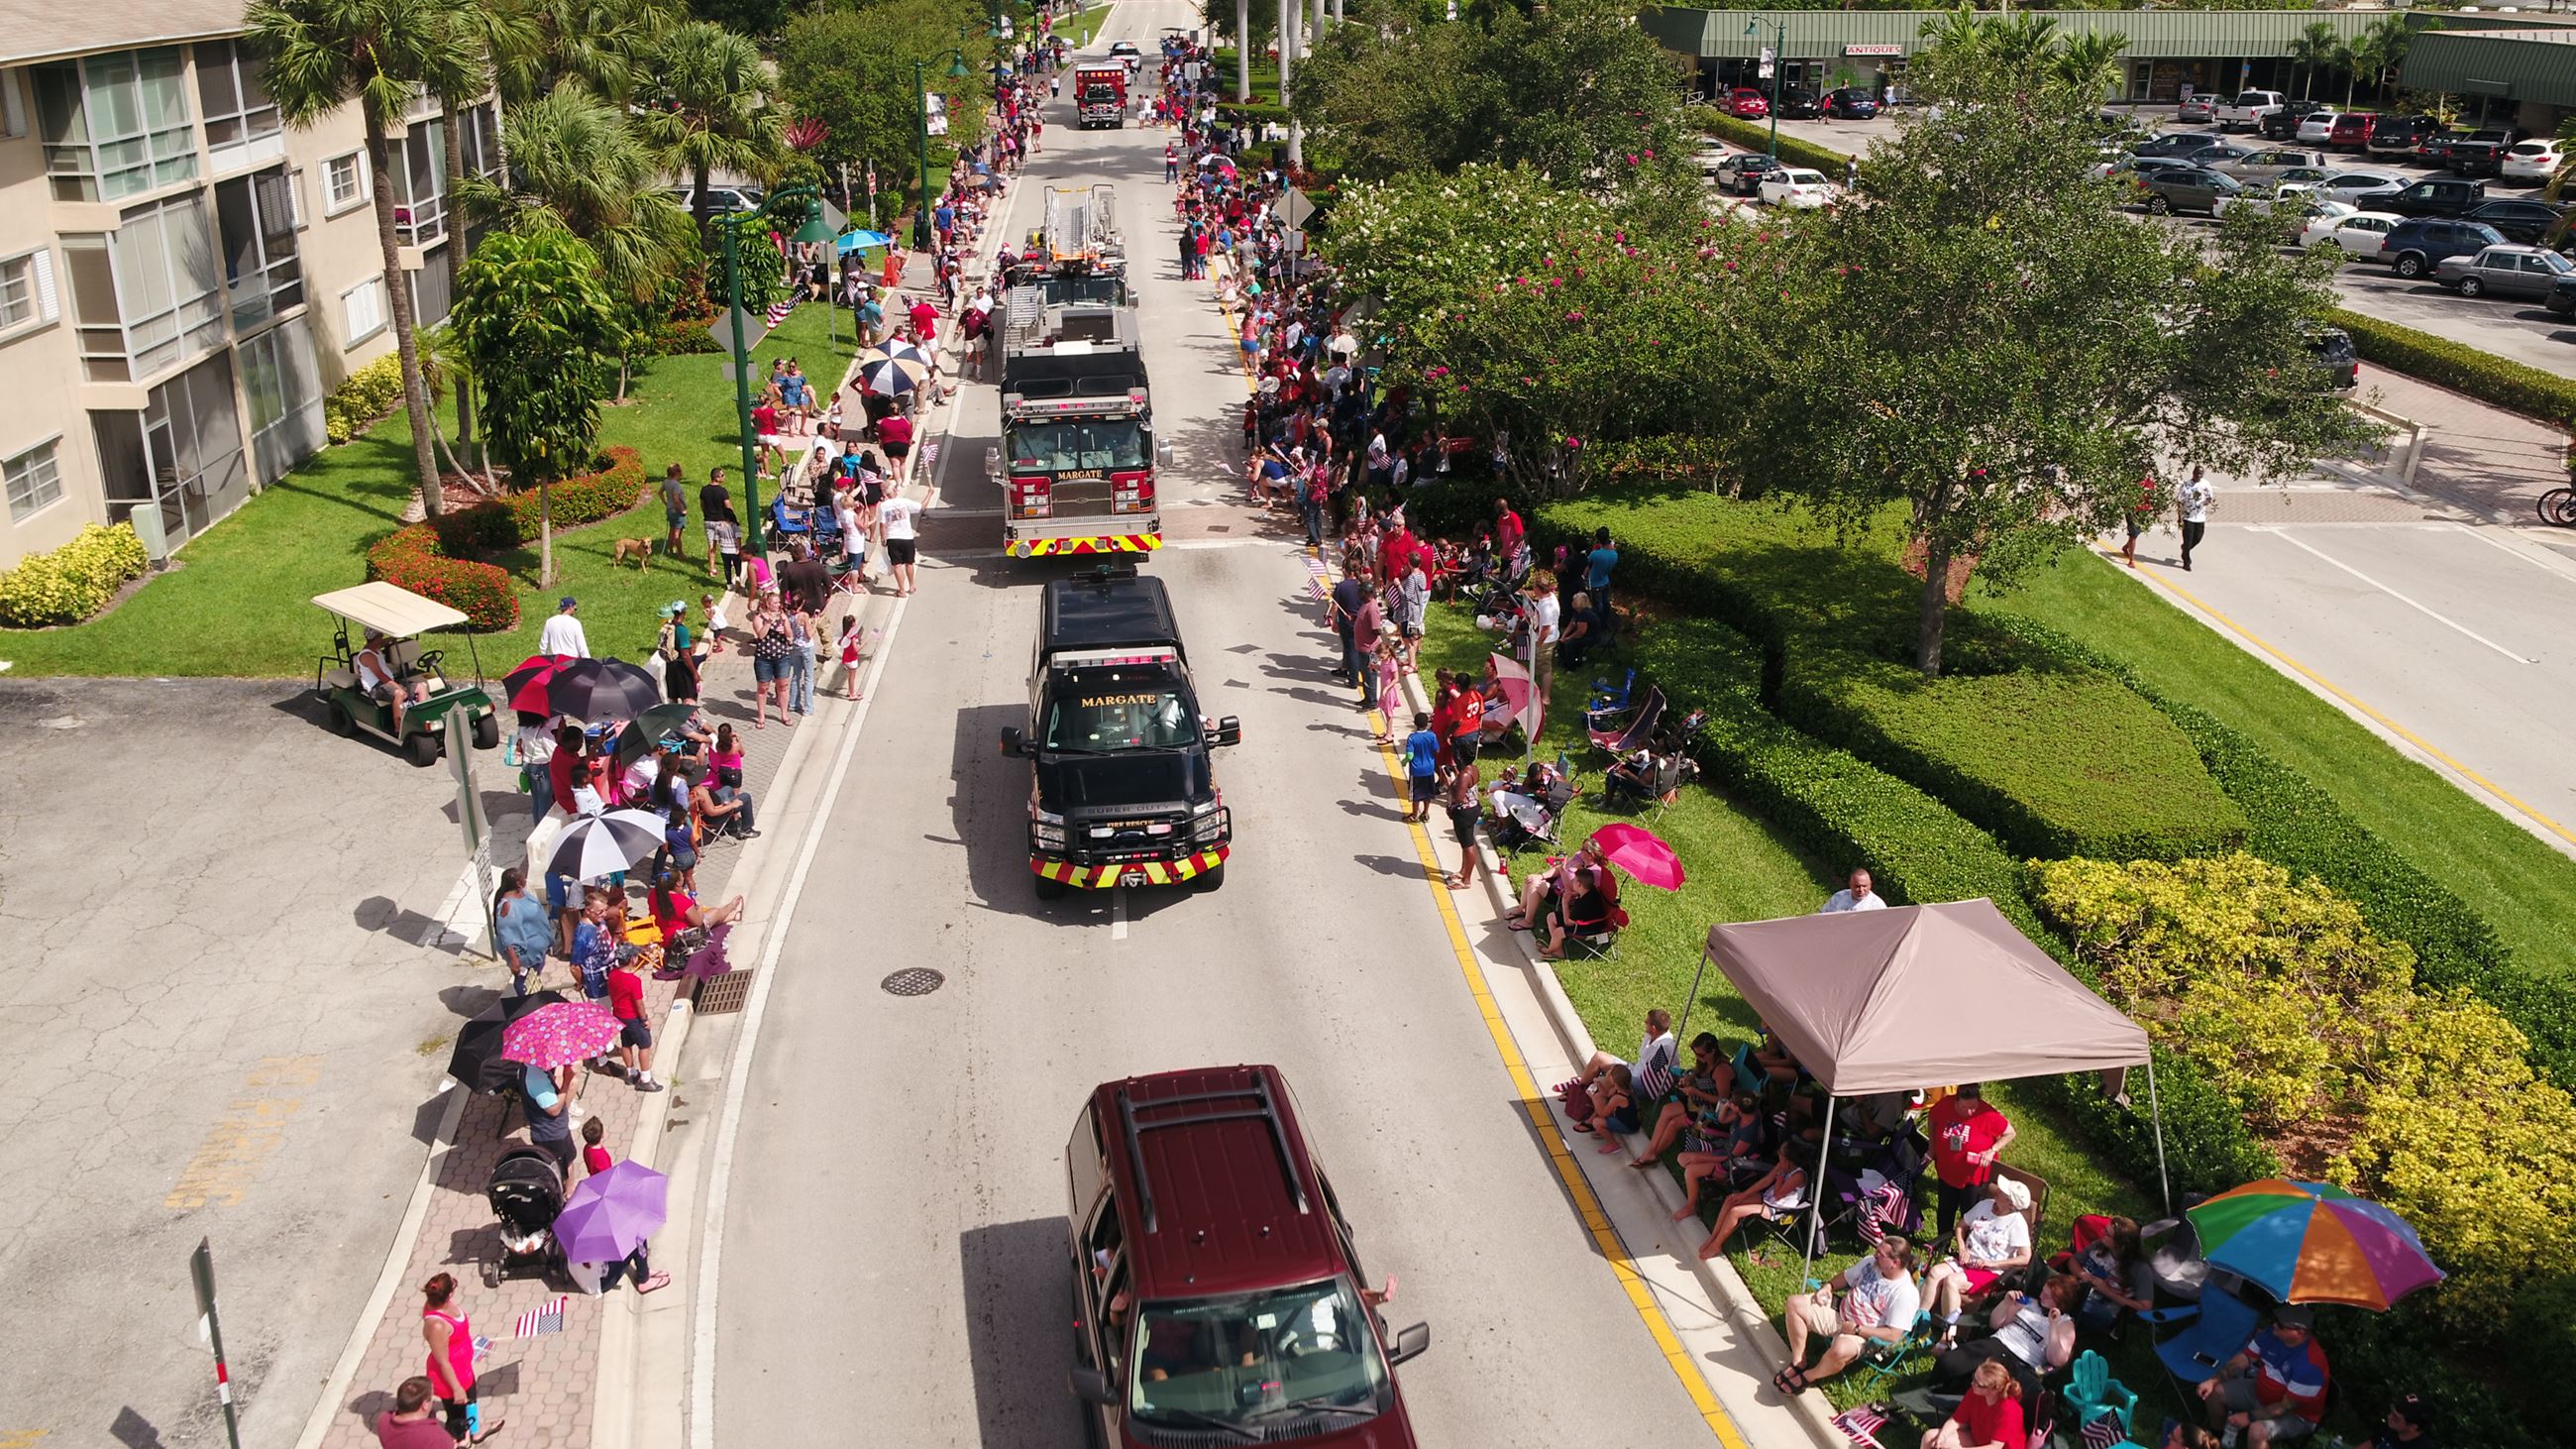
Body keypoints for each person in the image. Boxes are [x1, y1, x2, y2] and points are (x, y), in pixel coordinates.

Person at [1772, 1238, 1921, 1394]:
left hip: (1865, 1335)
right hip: (1840, 1312)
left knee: (1840, 1350)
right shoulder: (1870, 1262)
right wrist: (1828, 1287)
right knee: (1794, 1304)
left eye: (1881, 1254)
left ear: (1895, 1263)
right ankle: (1799, 1362)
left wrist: (1857, 1329)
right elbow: (1845, 1277)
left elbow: (1893, 1334)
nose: (1875, 1254)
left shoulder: (1905, 1294)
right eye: (1877, 1250)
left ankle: (1809, 1376)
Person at [1931, 1273, 2082, 1405]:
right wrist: (2007, 1303)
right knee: (1947, 1363)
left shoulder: (2065, 1323)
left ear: (2060, 1302)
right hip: (1996, 1343)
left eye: (2046, 1296)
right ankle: (1932, 1392)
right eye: (2042, 1291)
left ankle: (1956, 1402)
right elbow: (1995, 1323)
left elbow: (2057, 1360)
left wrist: (2053, 1326)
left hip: (2018, 1362)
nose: (2041, 1295)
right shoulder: (2030, 1303)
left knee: (1982, 1383)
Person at [1922, 1176, 2036, 1344]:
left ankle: (1948, 1337)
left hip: (1988, 1271)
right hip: (1965, 1260)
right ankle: (1917, 1322)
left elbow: (2026, 1258)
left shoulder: (2016, 1223)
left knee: (1951, 1281)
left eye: (2003, 1192)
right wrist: (1961, 1247)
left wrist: (1993, 1263)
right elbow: (1961, 1226)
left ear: (2011, 1204)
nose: (1997, 1189)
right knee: (1934, 1273)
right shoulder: (1985, 1205)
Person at [2200, 1306, 2329, 1447]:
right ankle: (2215, 1438)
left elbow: (2284, 1407)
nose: (2274, 1325)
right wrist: (2214, 1380)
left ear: (2300, 1332)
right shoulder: (2271, 1334)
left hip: (2295, 1414)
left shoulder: (2310, 1366)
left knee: (2257, 1431)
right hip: (2260, 1391)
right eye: (2275, 1320)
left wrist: (2249, 1417)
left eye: (2280, 1325)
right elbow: (2245, 1357)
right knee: (2215, 1392)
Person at [1694, 1137, 1814, 1256]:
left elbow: (1778, 1194)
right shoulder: (1783, 1165)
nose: (1778, 1153)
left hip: (1778, 1209)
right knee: (1731, 1200)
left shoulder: (1798, 1176)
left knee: (1735, 1211)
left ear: (1789, 1160)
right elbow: (1766, 1180)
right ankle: (1713, 1237)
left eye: (1781, 1152)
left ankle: (1717, 1245)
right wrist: (1743, 1195)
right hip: (1768, 1198)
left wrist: (1780, 1176)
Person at [419, 1276, 502, 1444]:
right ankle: (457, 1441)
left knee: (471, 1401)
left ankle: (475, 1431)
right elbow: (443, 1362)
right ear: (449, 1295)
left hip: (463, 1369)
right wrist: (456, 1388)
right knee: (456, 1415)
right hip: (449, 1377)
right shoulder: (437, 1325)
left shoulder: (441, 1304)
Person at [1926, 1083, 2017, 1237]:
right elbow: (1932, 1118)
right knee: (1945, 1210)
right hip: (1947, 1172)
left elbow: (2010, 1133)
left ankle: (1967, 1245)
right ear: (1956, 1100)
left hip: (1974, 1178)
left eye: (1973, 1107)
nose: (1969, 1112)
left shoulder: (1987, 1114)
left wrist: (1991, 1150)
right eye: (1964, 1107)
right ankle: (1942, 1242)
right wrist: (1932, 1147)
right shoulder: (1945, 1105)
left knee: (1970, 1213)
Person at [1628, 1033, 1730, 1167]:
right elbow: (1696, 1072)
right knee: (1667, 1111)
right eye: (1696, 1054)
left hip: (1712, 1111)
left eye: (1701, 1055)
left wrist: (1696, 1092)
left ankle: (1650, 1154)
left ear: (1713, 1051)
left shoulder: (1721, 1070)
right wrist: (1690, 1078)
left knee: (1674, 1122)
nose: (1698, 1058)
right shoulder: (1705, 1061)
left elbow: (1723, 1100)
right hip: (1697, 1102)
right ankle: (1650, 1152)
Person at [1921, 1358, 2027, 1449]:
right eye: (1974, 1378)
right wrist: (1943, 1436)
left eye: (1978, 1384)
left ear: (1995, 1389)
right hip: (1977, 1439)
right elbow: (1957, 1419)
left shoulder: (2009, 1410)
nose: (1973, 1384)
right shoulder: (1974, 1392)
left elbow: (1995, 1447)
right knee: (1929, 1438)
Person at [356, 631, 435, 736]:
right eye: (381, 636)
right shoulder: (368, 655)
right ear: (376, 638)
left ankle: (422, 717)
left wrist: (394, 637)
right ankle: (398, 728)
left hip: (388, 682)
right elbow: (381, 676)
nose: (382, 638)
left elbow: (384, 642)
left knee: (422, 686)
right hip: (376, 687)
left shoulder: (375, 648)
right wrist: (397, 687)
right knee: (399, 693)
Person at [492, 868, 551, 998]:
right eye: (524, 877)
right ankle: (524, 1003)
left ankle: (533, 996)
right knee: (523, 982)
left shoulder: (523, 893)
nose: (526, 879)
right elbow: (507, 935)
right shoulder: (508, 906)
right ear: (519, 883)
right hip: (523, 955)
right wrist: (514, 960)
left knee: (534, 976)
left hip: (536, 950)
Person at [376, 1375, 466, 1449]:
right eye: (432, 1399)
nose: (433, 1402)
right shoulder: (437, 1438)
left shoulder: (383, 1420)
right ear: (425, 1405)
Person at [748, 592, 794, 728]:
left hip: (782, 656)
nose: (778, 605)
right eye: (775, 602)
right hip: (764, 658)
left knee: (783, 685)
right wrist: (768, 623)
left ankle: (784, 714)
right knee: (763, 687)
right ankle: (761, 716)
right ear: (768, 604)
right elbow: (760, 636)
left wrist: (785, 625)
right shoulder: (759, 618)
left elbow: (790, 636)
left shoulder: (783, 616)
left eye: (779, 602)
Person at [878, 487, 921, 596]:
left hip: (892, 538)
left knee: (897, 565)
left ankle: (902, 590)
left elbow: (882, 525)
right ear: (894, 491)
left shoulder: (883, 506)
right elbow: (920, 507)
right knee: (909, 563)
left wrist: (883, 538)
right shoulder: (904, 502)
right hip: (907, 537)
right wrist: (929, 494)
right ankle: (911, 586)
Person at [1401, 711, 1441, 823]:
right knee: (1427, 793)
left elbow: (1410, 755)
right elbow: (1436, 749)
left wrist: (1404, 762)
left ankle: (1414, 815)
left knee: (1416, 795)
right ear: (1427, 723)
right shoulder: (1432, 736)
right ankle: (1425, 813)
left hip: (1416, 771)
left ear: (1415, 723)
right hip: (1429, 770)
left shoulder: (1412, 738)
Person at [2177, 465, 2215, 572]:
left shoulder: (2205, 484)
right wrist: (2179, 517)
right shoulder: (2186, 486)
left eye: (2201, 474)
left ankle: (2185, 549)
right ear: (2193, 473)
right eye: (2197, 473)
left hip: (2200, 517)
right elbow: (2179, 502)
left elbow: (2210, 497)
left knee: (2198, 537)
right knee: (2188, 539)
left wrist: (2205, 502)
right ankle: (2186, 561)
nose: (2199, 475)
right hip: (2188, 517)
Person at [1584, 526, 1619, 616]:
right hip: (1605, 581)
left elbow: (1586, 563)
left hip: (1595, 584)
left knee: (1597, 608)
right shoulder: (1615, 554)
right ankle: (1606, 623)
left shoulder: (1595, 554)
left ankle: (1599, 626)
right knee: (1606, 604)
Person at [1820, 867, 1885, 913]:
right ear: (1850, 884)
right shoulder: (1838, 897)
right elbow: (1822, 915)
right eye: (1857, 886)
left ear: (1870, 885)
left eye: (1864, 886)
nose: (1861, 889)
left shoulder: (1877, 905)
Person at [658, 463, 689, 557]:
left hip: (669, 510)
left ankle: (671, 550)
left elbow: (660, 493)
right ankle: (680, 553)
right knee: (677, 533)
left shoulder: (666, 482)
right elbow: (676, 498)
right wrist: (682, 509)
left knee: (671, 530)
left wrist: (666, 503)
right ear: (677, 473)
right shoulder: (676, 485)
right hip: (677, 511)